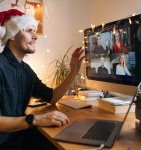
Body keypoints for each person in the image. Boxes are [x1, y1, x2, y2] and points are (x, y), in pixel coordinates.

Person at [0, 9, 84, 150]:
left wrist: (73, 73)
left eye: (35, 31)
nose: (35, 36)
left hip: (19, 136)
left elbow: (52, 97)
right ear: (11, 35)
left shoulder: (26, 70)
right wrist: (36, 119)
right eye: (29, 31)